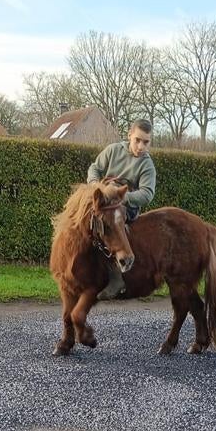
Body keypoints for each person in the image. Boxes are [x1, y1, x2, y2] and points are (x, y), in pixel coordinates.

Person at [87, 119, 156, 299]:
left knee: (113, 224)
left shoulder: (147, 165)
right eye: (137, 140)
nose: (141, 146)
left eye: (146, 142)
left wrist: (122, 198)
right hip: (103, 200)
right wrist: (96, 186)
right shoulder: (113, 150)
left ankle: (116, 277)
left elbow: (147, 194)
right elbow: (94, 168)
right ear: (129, 136)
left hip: (124, 206)